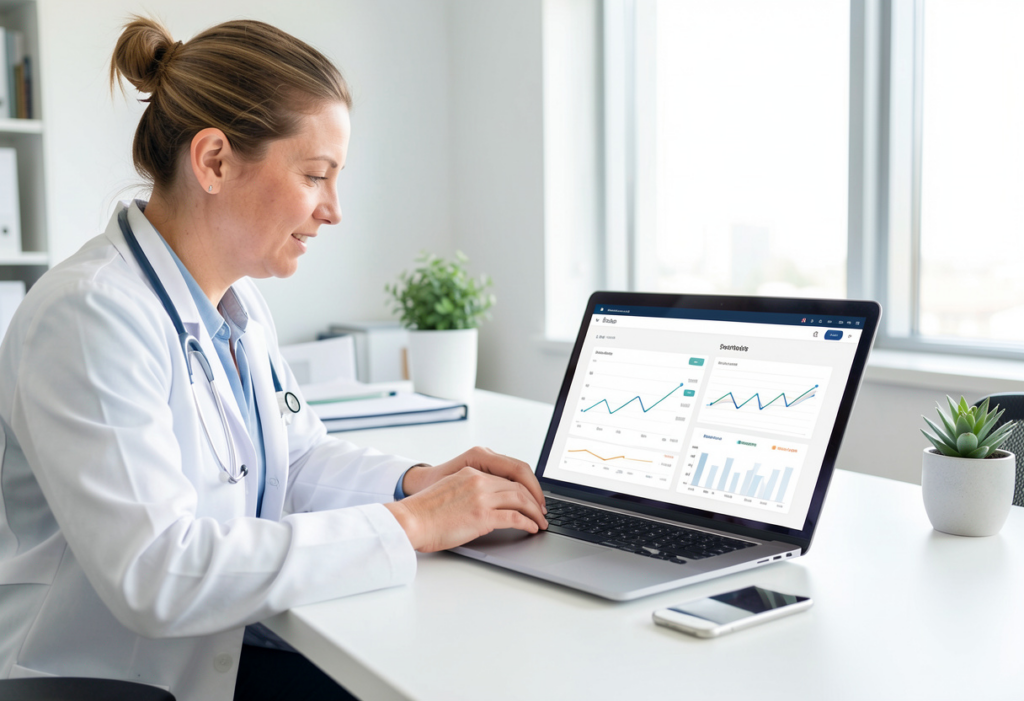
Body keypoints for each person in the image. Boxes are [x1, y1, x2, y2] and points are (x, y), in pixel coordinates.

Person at [0, 17, 547, 701]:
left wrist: (418, 483)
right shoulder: (86, 316)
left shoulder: (236, 304)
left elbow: (295, 461)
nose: (333, 210)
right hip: (104, 680)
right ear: (214, 162)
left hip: (217, 647)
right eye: (316, 175)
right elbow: (156, 573)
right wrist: (411, 525)